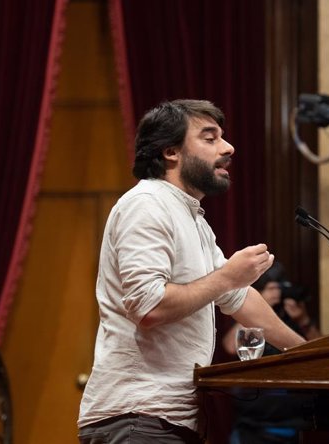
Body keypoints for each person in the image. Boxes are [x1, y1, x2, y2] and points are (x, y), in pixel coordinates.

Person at [78, 99, 306, 444]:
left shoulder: (191, 217)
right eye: (210, 138)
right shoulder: (146, 205)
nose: (228, 148)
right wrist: (229, 275)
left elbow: (237, 297)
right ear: (171, 152)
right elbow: (150, 307)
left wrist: (308, 353)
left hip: (166, 421)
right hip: (137, 418)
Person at [221, 262, 322, 444]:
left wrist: (303, 320)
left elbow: (321, 354)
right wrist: (258, 307)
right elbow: (229, 345)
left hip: (294, 419)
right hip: (253, 419)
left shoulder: (292, 315)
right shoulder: (245, 313)